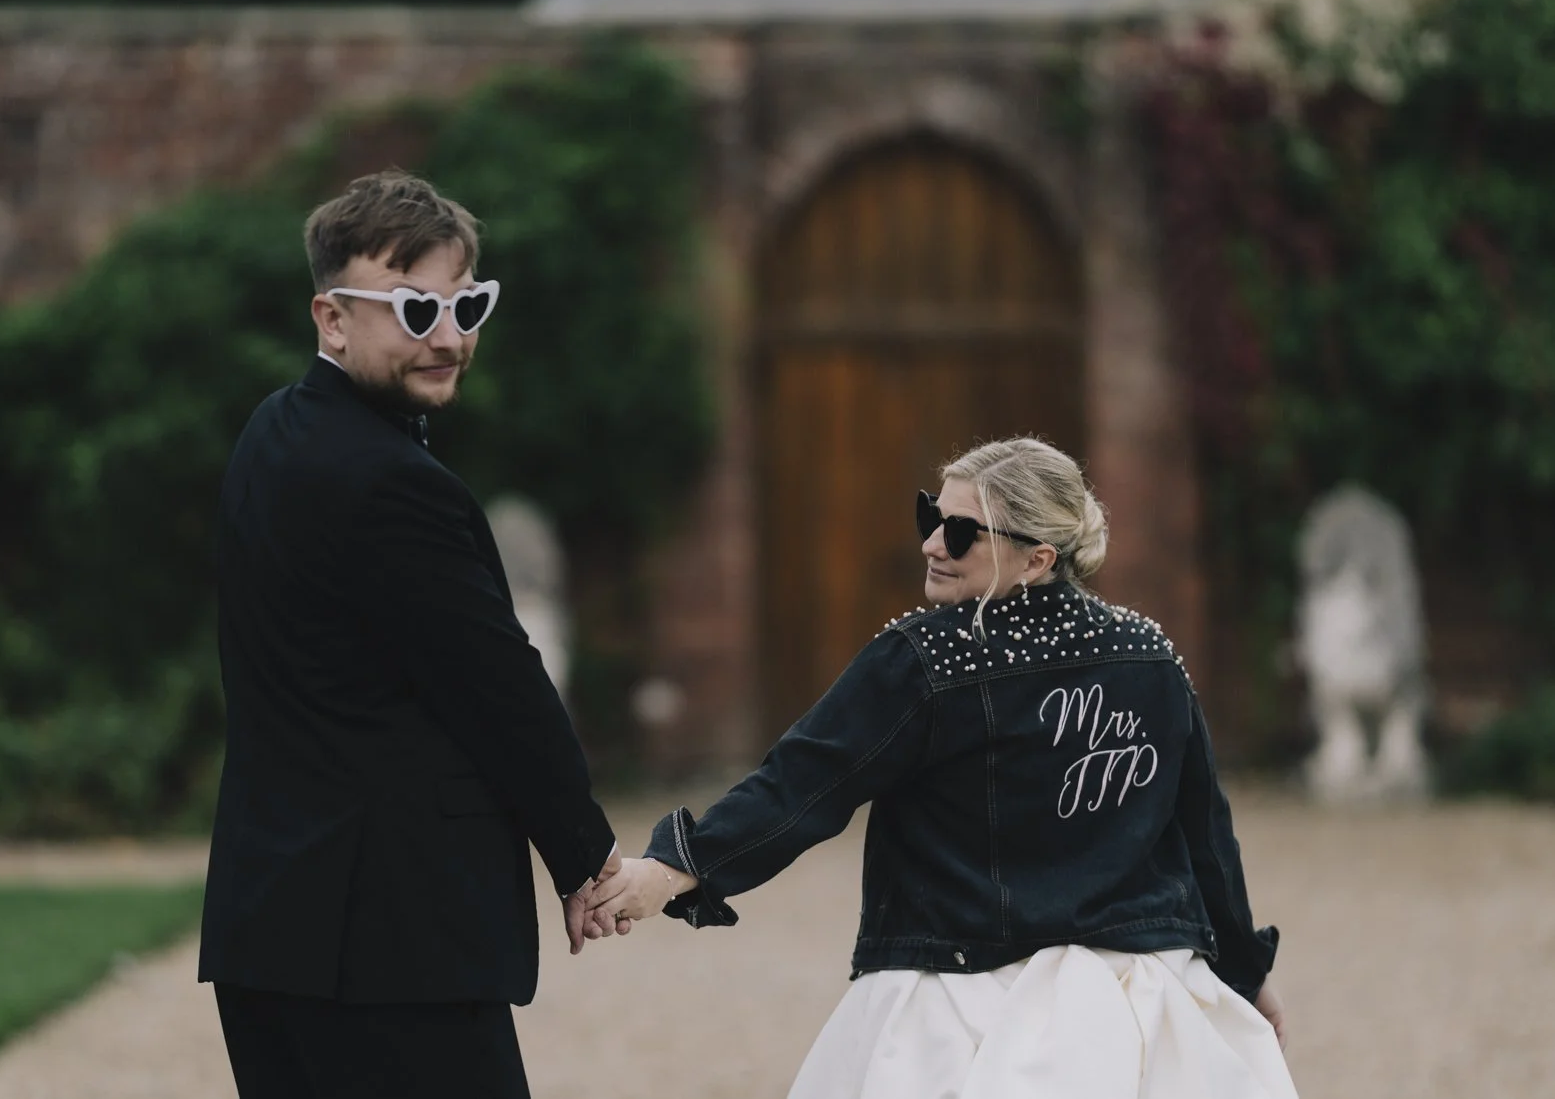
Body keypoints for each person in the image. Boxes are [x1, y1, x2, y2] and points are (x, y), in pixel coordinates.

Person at [593, 436, 1299, 1098]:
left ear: (1037, 559)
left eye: (961, 532)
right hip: (1144, 1014)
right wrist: (1242, 972)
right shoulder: (1150, 655)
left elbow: (801, 784)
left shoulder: (926, 658)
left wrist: (671, 870)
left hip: (954, 1008)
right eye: (930, 516)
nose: (932, 543)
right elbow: (1207, 840)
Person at [199, 170, 623, 1099]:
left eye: (465, 305)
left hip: (269, 929)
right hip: (388, 944)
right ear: (331, 319)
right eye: (414, 310)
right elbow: (495, 686)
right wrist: (584, 855)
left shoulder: (273, 432)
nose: (450, 337)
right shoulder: (390, 483)